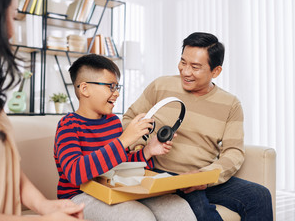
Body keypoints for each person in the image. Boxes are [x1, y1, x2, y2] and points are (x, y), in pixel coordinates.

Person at [123, 32, 273, 220]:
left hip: (203, 176)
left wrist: (205, 176)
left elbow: (234, 152)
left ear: (215, 71)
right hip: (160, 173)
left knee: (259, 195)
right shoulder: (160, 86)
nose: (185, 71)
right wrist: (144, 145)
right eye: (183, 62)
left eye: (195, 67)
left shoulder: (231, 104)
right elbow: (128, 119)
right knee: (202, 210)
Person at [0, 0, 85, 220]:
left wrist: (44, 206)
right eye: (9, 17)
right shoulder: (70, 125)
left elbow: (9, 171)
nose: (11, 31)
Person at [54, 54, 196, 221]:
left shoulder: (113, 122)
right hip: (79, 196)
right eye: (110, 86)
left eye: (117, 87)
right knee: (138, 216)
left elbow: (121, 167)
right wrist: (124, 141)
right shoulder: (68, 125)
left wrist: (148, 151)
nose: (116, 94)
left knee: (177, 208)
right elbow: (75, 172)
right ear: (85, 89)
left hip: (117, 189)